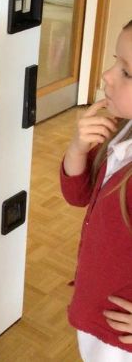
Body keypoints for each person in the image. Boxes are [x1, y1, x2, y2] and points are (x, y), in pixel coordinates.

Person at [61, 20, 132, 361]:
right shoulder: (121, 135)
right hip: (97, 317)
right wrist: (77, 148)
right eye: (116, 61)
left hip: (120, 342)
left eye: (127, 72)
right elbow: (78, 196)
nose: (108, 75)